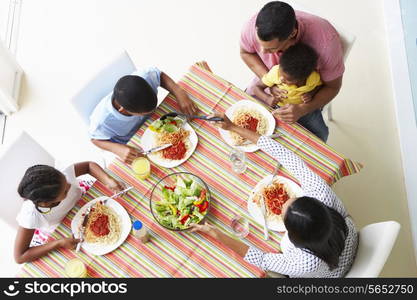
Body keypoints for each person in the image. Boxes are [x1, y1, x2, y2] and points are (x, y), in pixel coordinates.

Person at [191, 112, 358, 277]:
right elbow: (287, 157)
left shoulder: (304, 263)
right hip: (348, 237)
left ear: (294, 236)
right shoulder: (321, 192)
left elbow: (262, 259)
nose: (282, 205)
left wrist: (215, 233)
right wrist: (233, 127)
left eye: (282, 215)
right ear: (315, 204)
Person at [240, 1, 345, 142]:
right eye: (260, 44)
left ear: (292, 34)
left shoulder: (326, 44)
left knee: (317, 140)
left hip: (301, 99)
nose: (262, 51)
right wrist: (270, 82)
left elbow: (332, 87)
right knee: (243, 123)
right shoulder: (252, 27)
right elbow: (246, 52)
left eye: (271, 49)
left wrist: (303, 108)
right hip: (267, 80)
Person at [14, 162, 125, 263]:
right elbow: (20, 256)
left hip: (84, 198)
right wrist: (59, 243)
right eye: (65, 191)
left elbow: (88, 166)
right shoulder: (31, 215)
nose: (69, 185)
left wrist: (108, 180)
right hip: (61, 227)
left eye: (66, 181)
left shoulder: (60, 176)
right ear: (47, 204)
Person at [89, 67, 197, 164]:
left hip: (155, 125)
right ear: (123, 110)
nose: (152, 111)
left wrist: (179, 92)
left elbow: (159, 75)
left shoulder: (145, 77)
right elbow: (95, 139)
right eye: (144, 112)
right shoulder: (102, 122)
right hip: (132, 142)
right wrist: (117, 149)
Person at [253, 43, 322, 107]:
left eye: (288, 79)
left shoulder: (313, 78)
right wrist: (267, 99)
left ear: (302, 78)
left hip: (304, 107)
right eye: (281, 74)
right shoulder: (276, 72)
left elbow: (318, 86)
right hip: (279, 106)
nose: (281, 79)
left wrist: (311, 94)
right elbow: (256, 87)